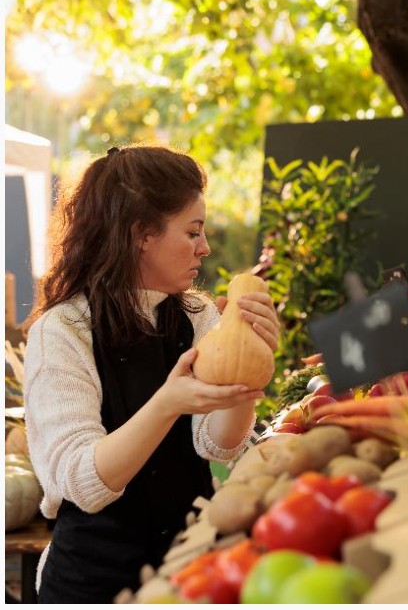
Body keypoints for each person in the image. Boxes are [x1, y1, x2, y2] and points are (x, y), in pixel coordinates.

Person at [23, 144, 280, 603]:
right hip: (92, 582)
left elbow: (217, 443)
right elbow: (83, 482)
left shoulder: (198, 314)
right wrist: (167, 403)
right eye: (192, 232)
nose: (205, 247)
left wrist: (249, 371)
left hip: (187, 566)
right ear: (142, 234)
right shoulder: (62, 330)